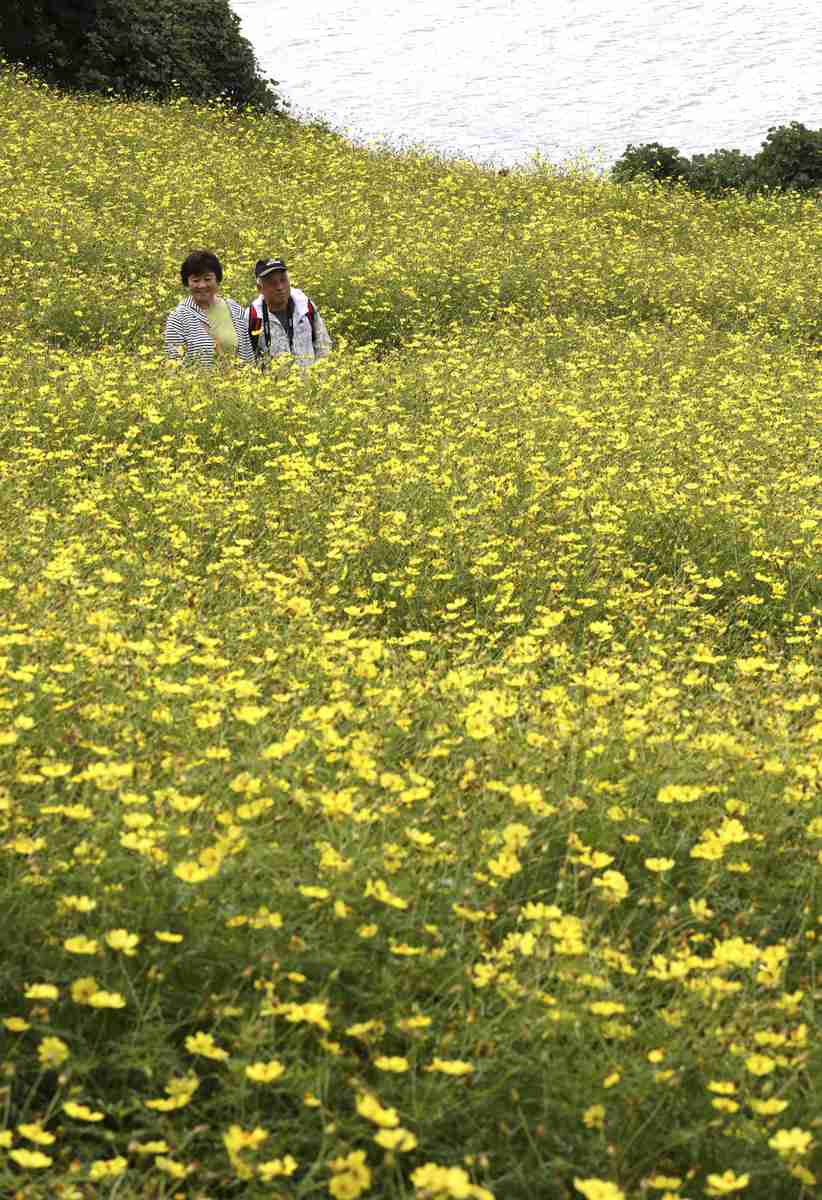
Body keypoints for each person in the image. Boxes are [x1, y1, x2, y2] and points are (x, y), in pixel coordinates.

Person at [165, 249, 255, 367]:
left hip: (240, 377)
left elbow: (248, 354)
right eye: (195, 280)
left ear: (217, 279)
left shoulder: (234, 309)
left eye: (207, 279)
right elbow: (173, 364)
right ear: (187, 282)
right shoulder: (178, 318)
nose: (202, 285)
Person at [248, 258, 332, 368]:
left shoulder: (305, 306)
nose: (280, 287)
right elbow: (247, 362)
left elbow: (323, 345)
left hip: (310, 378)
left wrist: (321, 373)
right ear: (260, 288)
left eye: (283, 280)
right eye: (272, 283)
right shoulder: (253, 316)